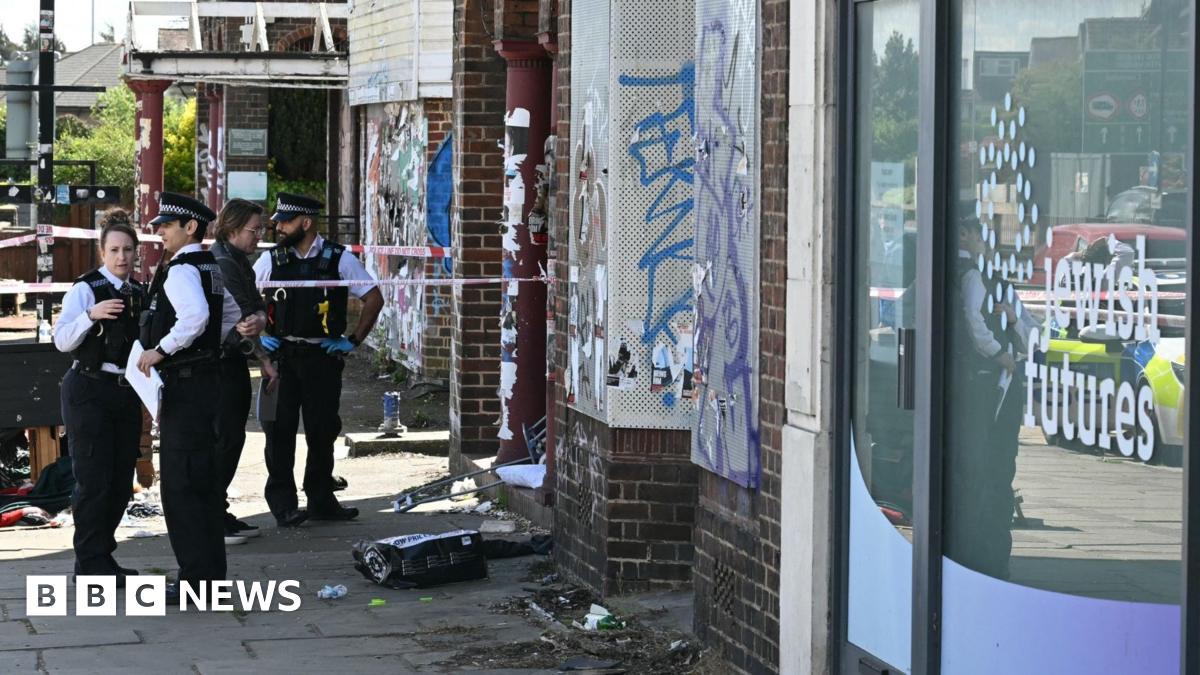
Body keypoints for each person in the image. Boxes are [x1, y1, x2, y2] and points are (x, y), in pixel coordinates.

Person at [253, 193, 383, 526]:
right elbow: (244, 297)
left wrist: (352, 341)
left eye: (285, 220)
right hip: (281, 357)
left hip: (321, 358)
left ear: (306, 222)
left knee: (322, 431)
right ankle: (284, 506)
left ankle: (322, 499)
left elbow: (373, 297)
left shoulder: (337, 258)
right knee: (278, 433)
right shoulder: (272, 259)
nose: (278, 226)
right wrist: (259, 334)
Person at [135, 192, 225, 596]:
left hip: (186, 386)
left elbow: (197, 317)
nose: (161, 234)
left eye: (167, 226)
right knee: (203, 483)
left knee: (182, 486)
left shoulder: (182, 270)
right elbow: (233, 317)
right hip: (208, 382)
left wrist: (160, 350)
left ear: (190, 228)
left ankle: (195, 580)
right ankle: (208, 575)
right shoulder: (213, 266)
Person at [53, 210, 145, 585]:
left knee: (122, 479)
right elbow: (62, 341)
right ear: (102, 252)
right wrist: (91, 315)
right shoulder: (86, 289)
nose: (122, 257)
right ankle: (89, 564)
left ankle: (102, 556)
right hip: (88, 389)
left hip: (126, 392)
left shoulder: (139, 292)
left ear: (136, 252)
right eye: (114, 250)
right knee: (93, 480)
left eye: (127, 250)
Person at [944, 216, 1038, 580]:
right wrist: (999, 352)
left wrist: (1012, 323)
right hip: (981, 386)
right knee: (982, 472)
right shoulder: (966, 274)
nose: (985, 244)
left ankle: (990, 558)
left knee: (995, 472)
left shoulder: (992, 280)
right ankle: (982, 558)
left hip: (999, 388)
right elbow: (972, 320)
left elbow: (1031, 336)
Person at [211, 198, 279, 544]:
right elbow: (243, 321)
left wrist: (260, 320)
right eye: (255, 230)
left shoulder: (237, 260)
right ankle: (212, 515)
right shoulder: (224, 263)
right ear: (233, 228)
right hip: (221, 364)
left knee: (231, 437)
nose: (259, 236)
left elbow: (256, 311)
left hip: (231, 361)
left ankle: (216, 510)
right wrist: (264, 358)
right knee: (226, 439)